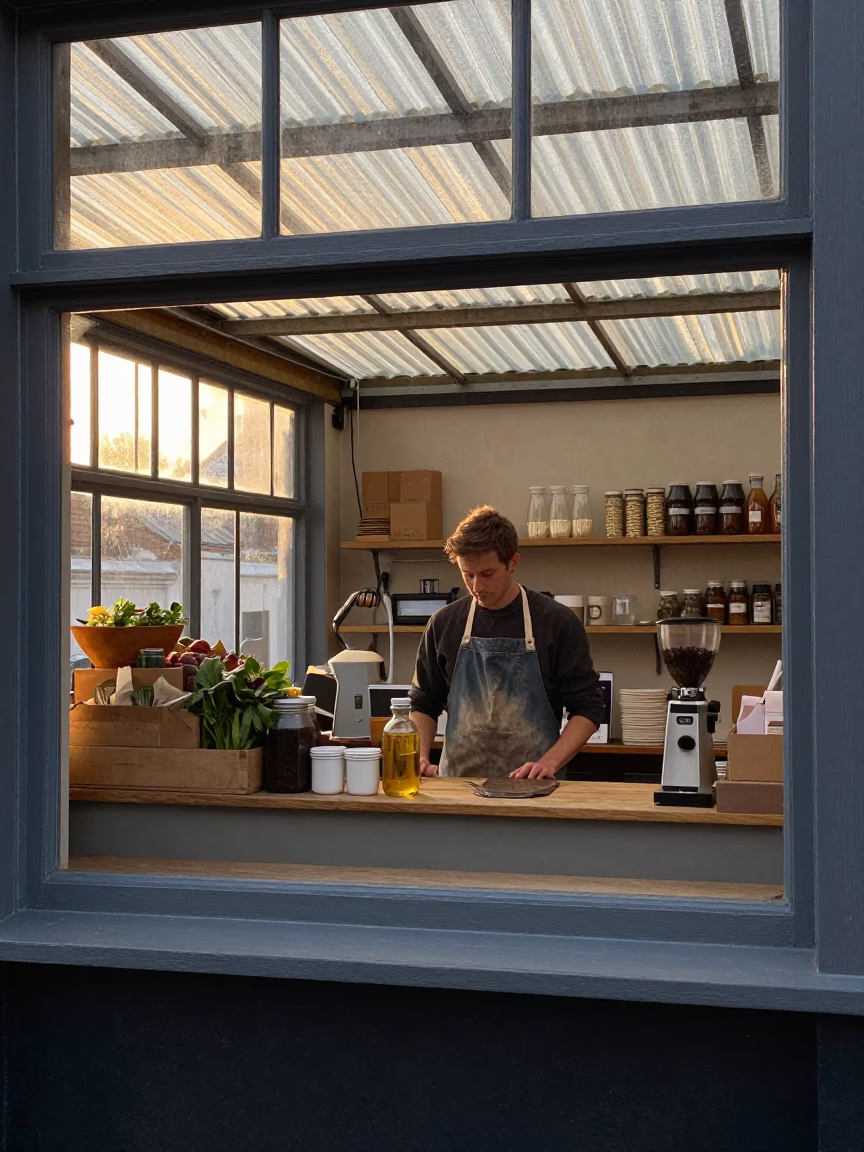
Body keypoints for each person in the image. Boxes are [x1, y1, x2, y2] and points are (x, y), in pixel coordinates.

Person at [409, 505, 605, 779]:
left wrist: (548, 763)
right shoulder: (444, 624)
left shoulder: (556, 622)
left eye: (487, 574)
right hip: (458, 788)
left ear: (513, 563)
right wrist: (419, 756)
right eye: (468, 574)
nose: (476, 586)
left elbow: (588, 708)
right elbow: (423, 704)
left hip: (534, 790)